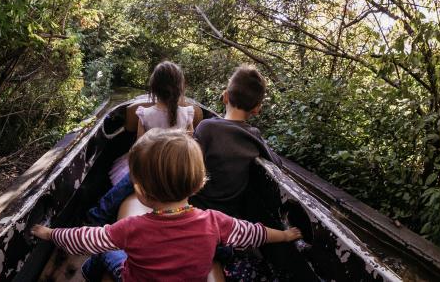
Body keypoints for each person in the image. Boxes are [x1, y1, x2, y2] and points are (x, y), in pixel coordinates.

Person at [31, 129, 302, 282]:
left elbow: (86, 239)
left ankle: (90, 275)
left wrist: (50, 234)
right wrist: (286, 235)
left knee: (103, 252)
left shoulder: (131, 228)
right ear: (197, 186)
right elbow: (254, 233)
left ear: (142, 193)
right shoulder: (215, 221)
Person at [190, 64, 280, 218]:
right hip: (231, 216)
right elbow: (277, 164)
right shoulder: (253, 135)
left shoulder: (206, 127)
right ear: (257, 109)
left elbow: (188, 165)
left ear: (225, 97)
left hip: (199, 209)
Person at [108, 60, 194, 186]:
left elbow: (139, 147)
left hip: (151, 166)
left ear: (153, 88)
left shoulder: (144, 114)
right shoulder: (188, 113)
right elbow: (189, 144)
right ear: (180, 88)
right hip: (176, 165)